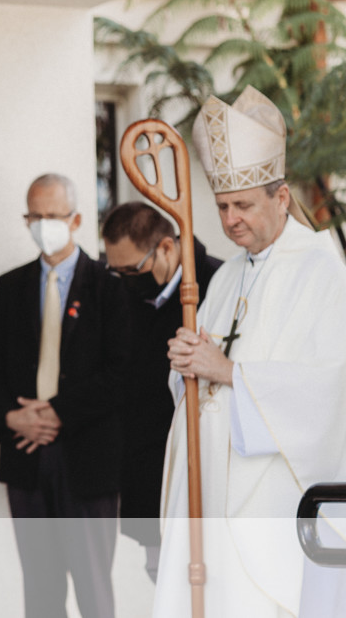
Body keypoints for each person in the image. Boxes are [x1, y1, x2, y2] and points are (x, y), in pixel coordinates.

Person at [158, 87, 346, 616]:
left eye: (243, 205)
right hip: (210, 483)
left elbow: (331, 387)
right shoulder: (226, 276)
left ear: (281, 198)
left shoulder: (323, 270)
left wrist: (229, 371)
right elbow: (200, 385)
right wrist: (186, 363)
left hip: (269, 495)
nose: (231, 219)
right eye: (222, 206)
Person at [0, 173, 129, 618]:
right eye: (36, 216)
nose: (44, 225)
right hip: (26, 457)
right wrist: (12, 418)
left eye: (54, 216)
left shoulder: (109, 285)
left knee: (93, 591)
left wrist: (57, 413)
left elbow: (121, 372)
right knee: (40, 593)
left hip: (88, 459)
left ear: (76, 219)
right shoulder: (11, 286)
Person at [101, 202, 222, 582]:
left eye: (132, 270)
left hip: (202, 464)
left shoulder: (217, 284)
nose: (124, 280)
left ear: (166, 248)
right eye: (116, 271)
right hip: (146, 469)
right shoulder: (122, 294)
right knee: (160, 577)